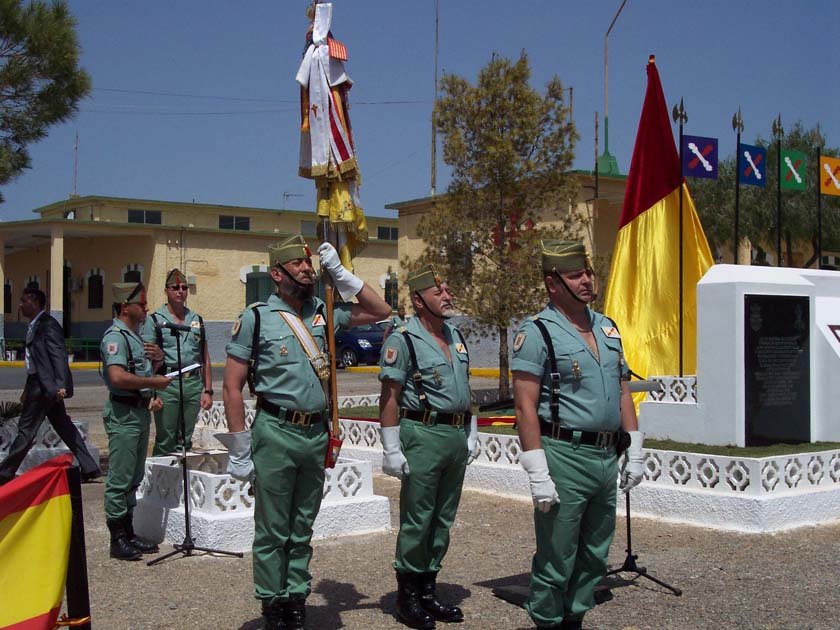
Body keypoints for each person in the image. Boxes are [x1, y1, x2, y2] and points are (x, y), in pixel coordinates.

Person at [221, 235, 390, 630]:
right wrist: (239, 448)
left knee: (301, 525)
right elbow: (231, 387)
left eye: (309, 264)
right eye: (297, 264)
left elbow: (380, 310)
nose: (306, 270)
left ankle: (295, 596)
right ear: (277, 274)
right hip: (275, 431)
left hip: (315, 433)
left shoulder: (324, 311)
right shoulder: (256, 318)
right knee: (272, 528)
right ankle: (272, 602)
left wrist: (342, 275)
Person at [511, 240, 645, 630]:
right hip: (564, 456)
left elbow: (622, 389)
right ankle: (548, 621)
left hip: (605, 456)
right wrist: (537, 471)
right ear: (553, 283)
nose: (587, 280)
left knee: (595, 555)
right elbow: (524, 407)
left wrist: (635, 447)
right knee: (557, 555)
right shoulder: (537, 332)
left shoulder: (606, 327)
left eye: (588, 272)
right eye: (575, 275)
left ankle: (574, 618)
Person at [378, 264, 476, 629]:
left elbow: (464, 387)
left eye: (447, 290)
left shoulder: (455, 335)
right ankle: (407, 597)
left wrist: (472, 428)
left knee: (443, 518)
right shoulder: (403, 339)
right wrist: (391, 447)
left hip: (454, 436)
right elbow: (389, 396)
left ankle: (428, 590)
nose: (448, 296)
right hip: (423, 433)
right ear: (419, 301)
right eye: (439, 292)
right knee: (418, 519)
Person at [0, 288, 101, 485]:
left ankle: (4, 473)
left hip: (45, 386)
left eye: (24, 301)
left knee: (26, 429)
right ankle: (90, 467)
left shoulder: (48, 325)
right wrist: (27, 389)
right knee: (64, 426)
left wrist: (61, 385)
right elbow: (35, 361)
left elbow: (58, 355)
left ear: (35, 303)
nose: (20, 305)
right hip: (38, 383)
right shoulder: (34, 324)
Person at [100, 282, 172, 561]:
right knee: (120, 477)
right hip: (124, 415)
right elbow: (118, 377)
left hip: (138, 412)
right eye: (140, 304)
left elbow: (139, 373)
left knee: (134, 476)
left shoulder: (134, 337)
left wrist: (157, 363)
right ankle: (117, 537)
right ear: (124, 307)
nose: (145, 308)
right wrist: (154, 382)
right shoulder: (115, 337)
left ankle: (128, 531)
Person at [141, 269, 213, 456]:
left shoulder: (196, 319)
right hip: (167, 383)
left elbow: (204, 357)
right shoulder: (155, 320)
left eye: (184, 287)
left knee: (185, 438)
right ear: (166, 290)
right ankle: (162, 472)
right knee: (166, 438)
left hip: (193, 383)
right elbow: (146, 360)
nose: (180, 291)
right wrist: (151, 393)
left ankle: (182, 472)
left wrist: (208, 390)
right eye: (175, 287)